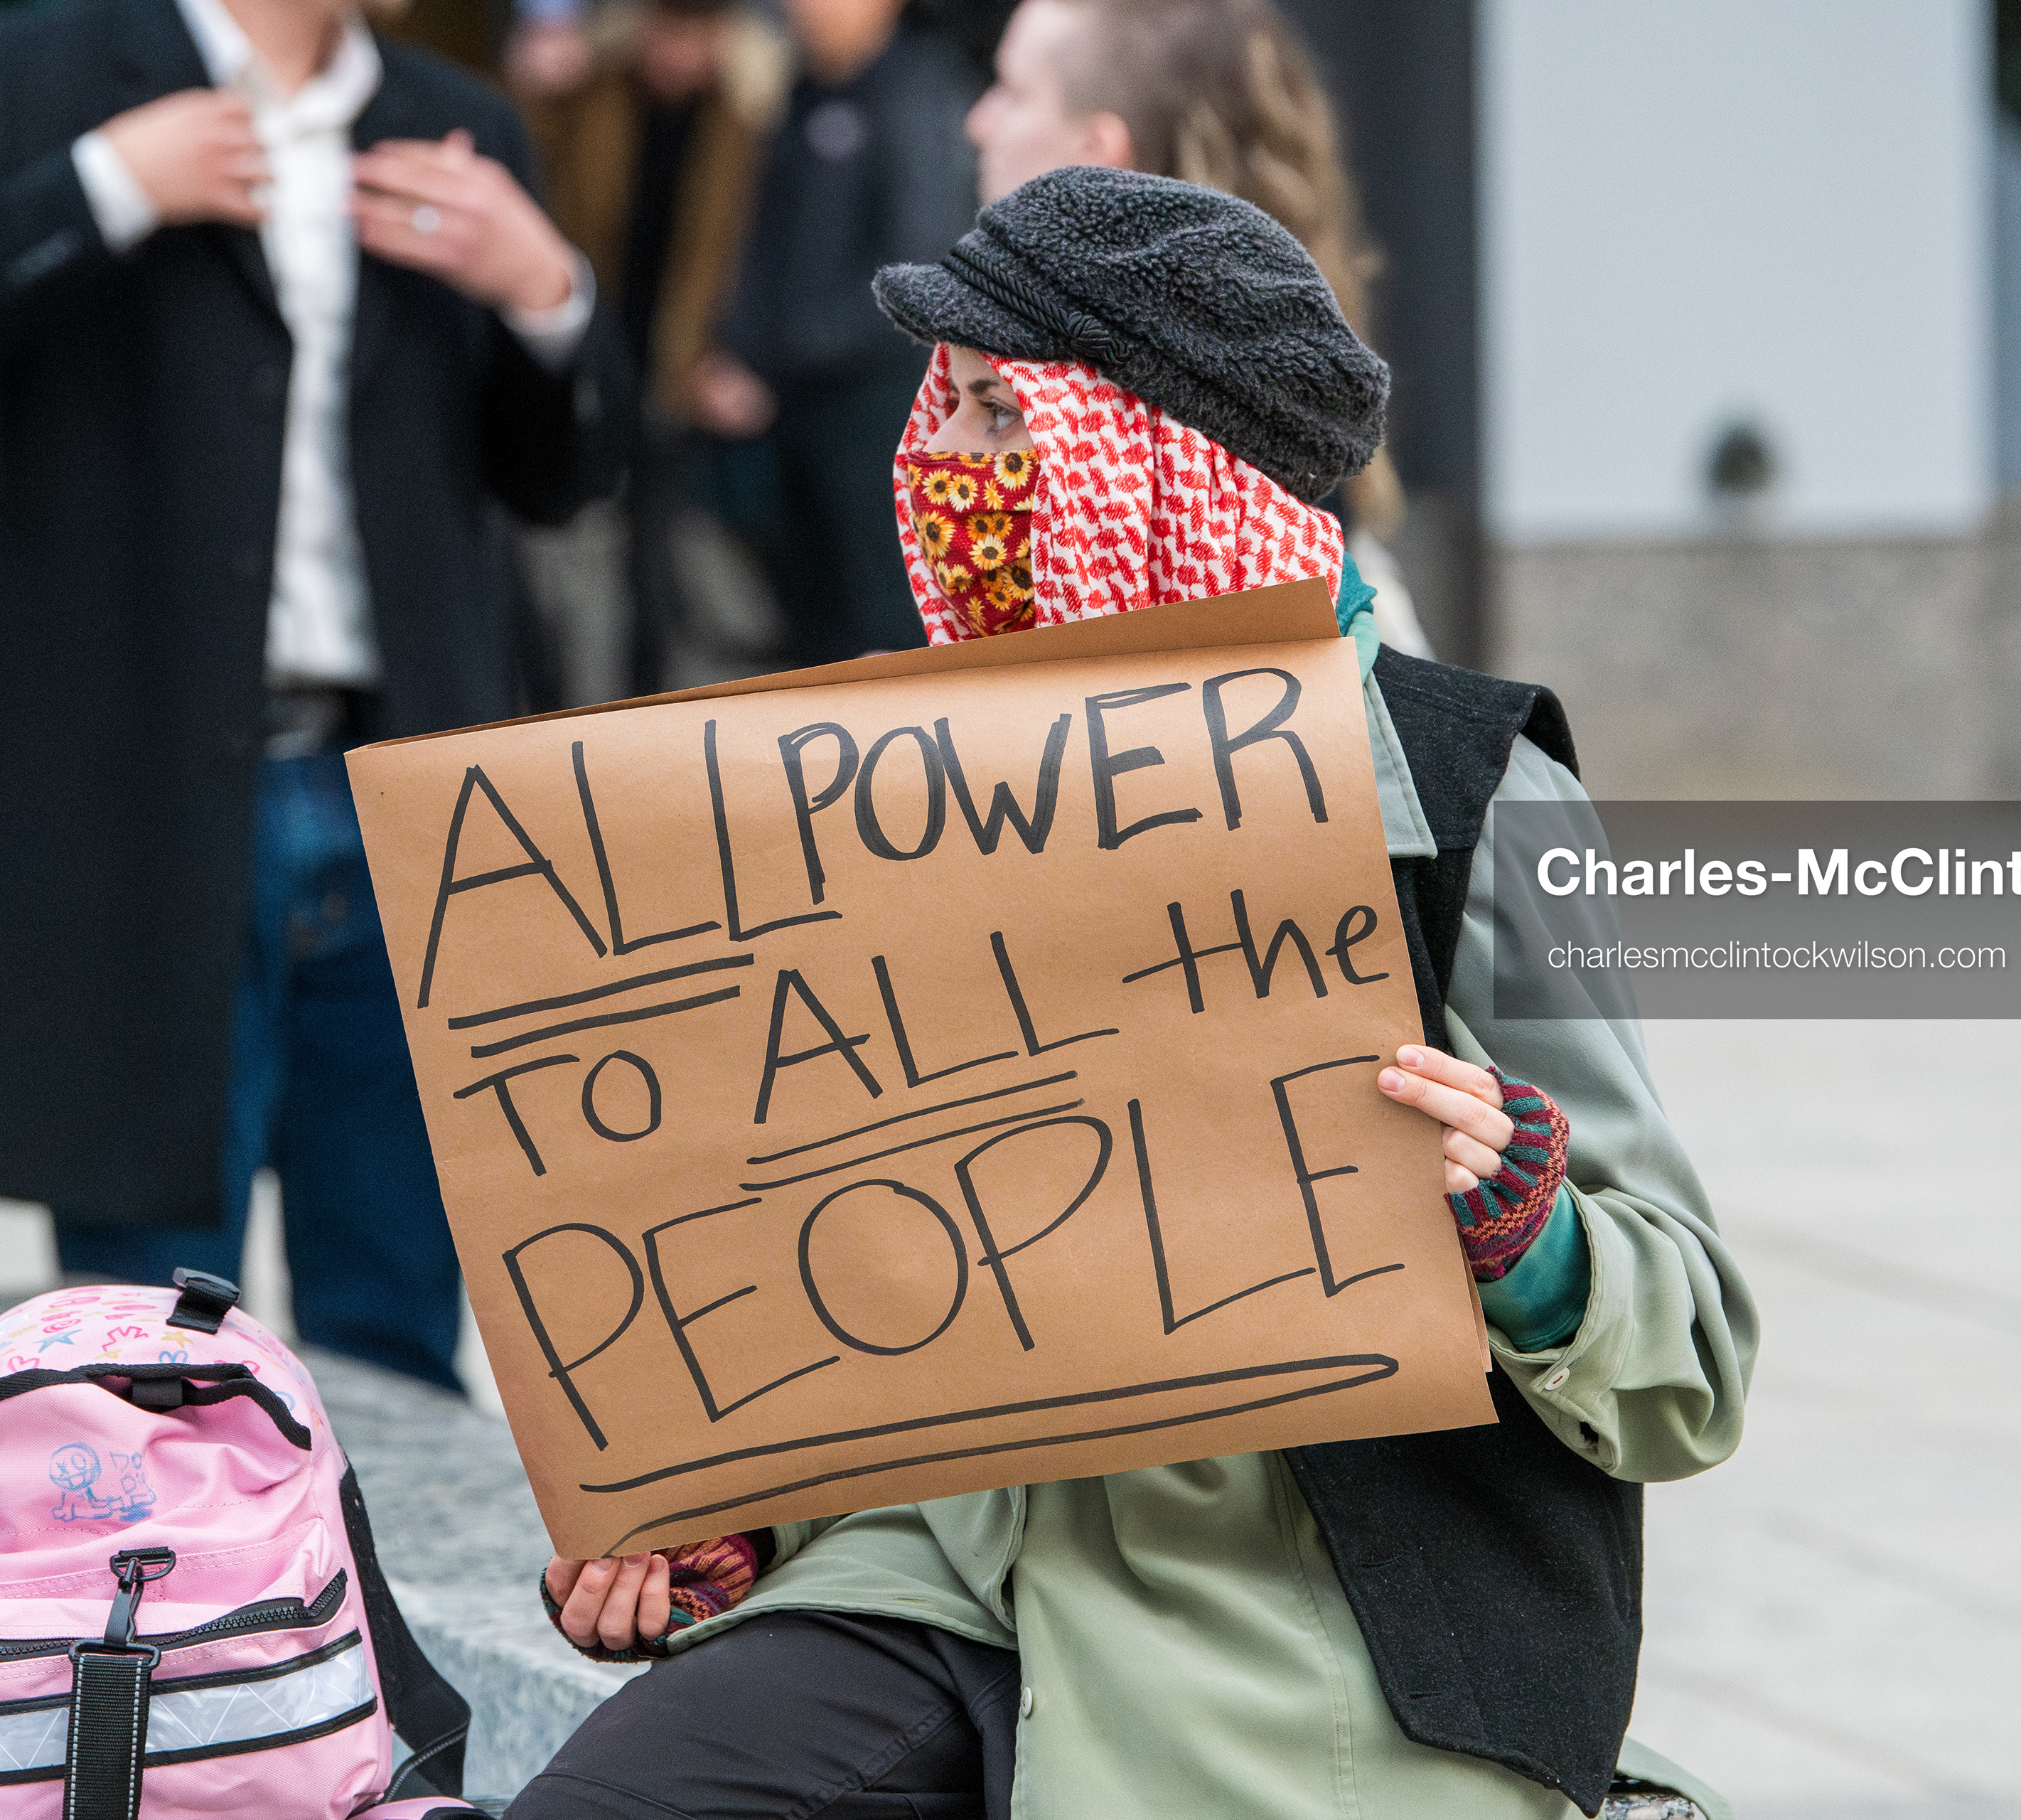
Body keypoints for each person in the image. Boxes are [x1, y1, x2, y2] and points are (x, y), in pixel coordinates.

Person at [507, 171, 1754, 1819]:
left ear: (1155, 466)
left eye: (996, 413)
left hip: (1298, 1627)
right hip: (932, 1565)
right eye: (936, 407)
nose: (942, 463)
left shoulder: (1468, 792)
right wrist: (728, 1511)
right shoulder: (890, 793)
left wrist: (1528, 1236)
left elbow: (1691, 1351)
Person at [0, 0, 602, 1389]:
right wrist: (106, 187)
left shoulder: (452, 119)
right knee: (149, 1352)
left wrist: (548, 296)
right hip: (141, 806)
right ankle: (168, 1610)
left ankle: (360, 1610)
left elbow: (564, 473)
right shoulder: (31, 79)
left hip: (405, 809)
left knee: (400, 1334)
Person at [963, 0, 1435, 657]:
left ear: (1097, 153)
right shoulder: (1246, 361)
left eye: (1014, 92)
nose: (977, 121)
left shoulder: (1201, 418)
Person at [697, 0, 980, 665]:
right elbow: (759, 244)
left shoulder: (920, 91)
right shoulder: (797, 94)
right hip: (789, 407)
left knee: (887, 628)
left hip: (879, 405)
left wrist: (774, 358)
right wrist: (732, 349)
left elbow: (922, 262)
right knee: (803, 623)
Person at [530, 0, 786, 696]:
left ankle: (647, 711)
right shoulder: (595, 92)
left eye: (692, 35)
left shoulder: (746, 119)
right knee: (553, 545)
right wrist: (544, 84)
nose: (674, 52)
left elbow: (756, 253)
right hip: (588, 343)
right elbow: (538, 170)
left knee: (652, 557)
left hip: (677, 360)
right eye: (664, 31)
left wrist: (731, 353)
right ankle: (553, 705)